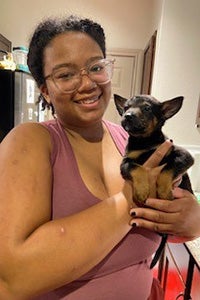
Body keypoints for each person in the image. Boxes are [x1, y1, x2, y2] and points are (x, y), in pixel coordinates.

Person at [0, 15, 199, 300]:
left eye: (95, 67)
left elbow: (163, 225)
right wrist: (131, 197)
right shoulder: (30, 141)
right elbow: (11, 279)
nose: (87, 84)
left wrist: (191, 222)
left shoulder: (128, 141)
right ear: (45, 88)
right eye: (65, 74)